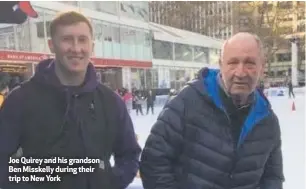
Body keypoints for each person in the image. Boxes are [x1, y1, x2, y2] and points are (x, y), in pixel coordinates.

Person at [0, 11, 141, 189]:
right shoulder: (21, 99)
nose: (76, 48)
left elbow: (129, 153)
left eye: (82, 40)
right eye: (67, 39)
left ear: (92, 45)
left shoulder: (110, 101)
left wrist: (110, 181)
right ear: (52, 45)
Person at [140, 33, 284, 189]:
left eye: (250, 63)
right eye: (233, 63)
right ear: (221, 65)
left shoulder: (267, 121)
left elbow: (273, 177)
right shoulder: (187, 102)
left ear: (262, 67)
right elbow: (154, 162)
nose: (240, 72)